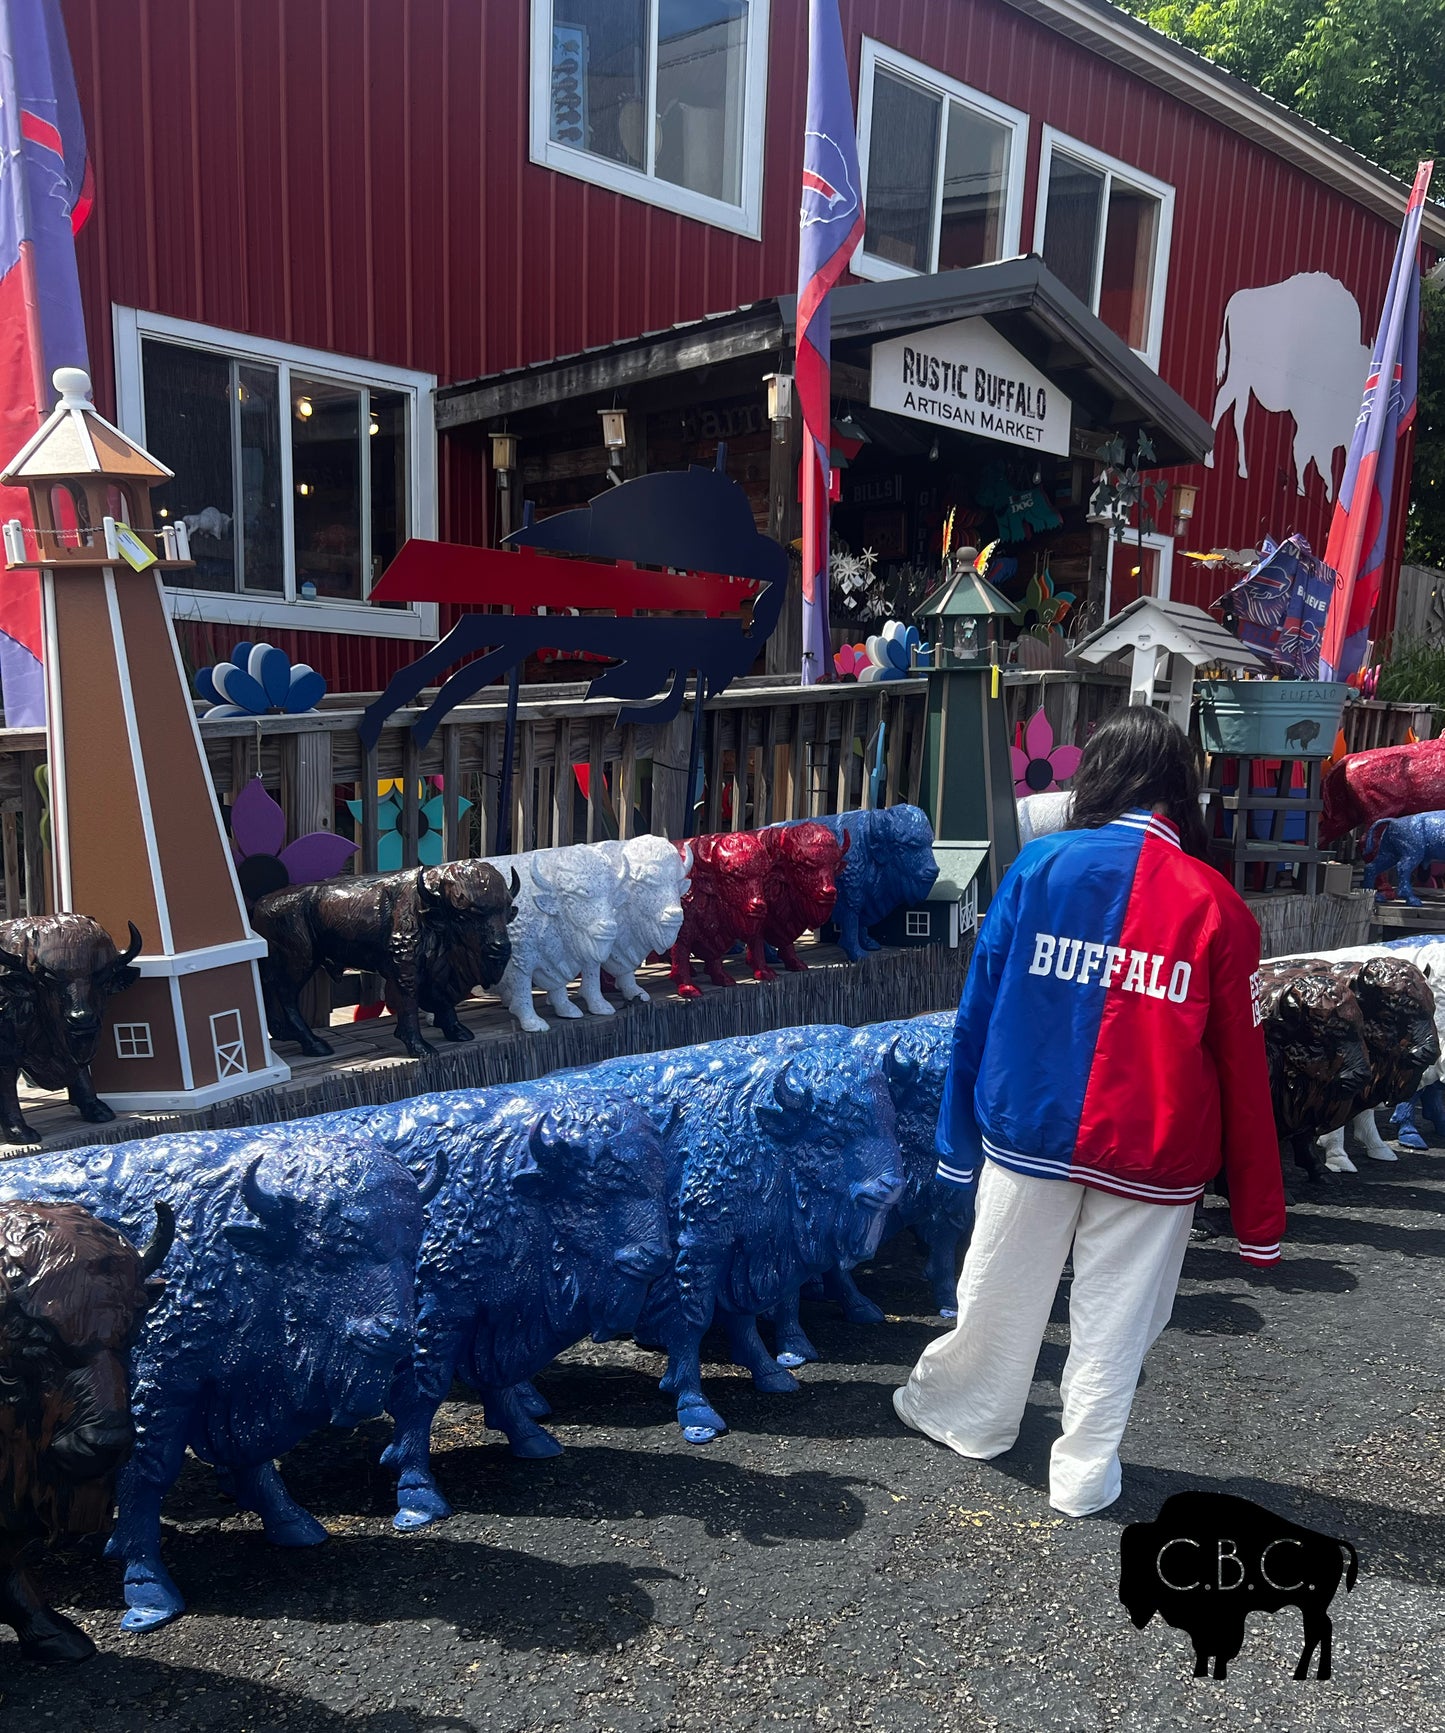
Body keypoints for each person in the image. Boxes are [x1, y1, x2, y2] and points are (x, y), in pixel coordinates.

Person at [893, 705, 1285, 1517]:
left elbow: (976, 1011)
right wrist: (1257, 1221)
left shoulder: (1039, 866)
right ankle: (1081, 1472)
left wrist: (954, 1143)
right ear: (1180, 788)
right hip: (1156, 1149)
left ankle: (970, 1415)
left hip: (1029, 1128)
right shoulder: (1219, 905)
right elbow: (1246, 1072)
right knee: (1117, 1319)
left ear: (1096, 775)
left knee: (996, 1288)